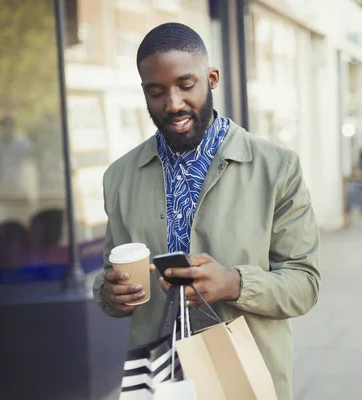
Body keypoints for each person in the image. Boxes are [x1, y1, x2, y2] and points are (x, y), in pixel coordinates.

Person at [92, 23, 320, 399]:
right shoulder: (118, 177)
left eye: (186, 84)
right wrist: (110, 294)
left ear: (211, 79)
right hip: (157, 378)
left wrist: (234, 283)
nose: (173, 103)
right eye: (157, 91)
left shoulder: (277, 168)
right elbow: (108, 278)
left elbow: (305, 284)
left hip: (242, 377)